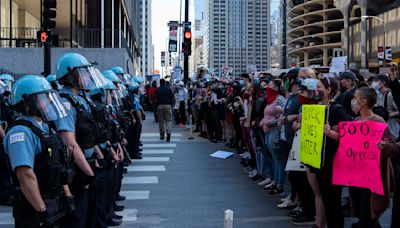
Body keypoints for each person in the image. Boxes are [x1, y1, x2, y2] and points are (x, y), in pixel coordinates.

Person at [4, 75, 73, 227]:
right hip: (34, 207)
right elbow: (25, 175)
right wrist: (42, 211)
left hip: (54, 201)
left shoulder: (45, 128)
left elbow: (58, 164)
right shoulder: (21, 132)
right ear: (28, 102)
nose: (49, 101)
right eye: (43, 97)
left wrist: (67, 196)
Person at [55, 53, 103, 228]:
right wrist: (89, 173)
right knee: (76, 219)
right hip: (76, 169)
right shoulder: (65, 102)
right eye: (82, 73)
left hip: (85, 163)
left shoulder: (78, 99)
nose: (87, 77)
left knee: (86, 215)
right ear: (72, 76)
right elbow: (70, 142)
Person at [260, 79, 287, 196]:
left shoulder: (280, 99)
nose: (268, 88)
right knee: (274, 159)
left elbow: (284, 116)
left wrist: (270, 123)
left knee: (278, 159)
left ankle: (279, 184)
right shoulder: (270, 100)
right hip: (268, 131)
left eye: (270, 85)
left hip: (275, 132)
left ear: (276, 88)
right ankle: (275, 181)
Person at [0, 73, 15, 206]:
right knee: (3, 168)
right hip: (3, 139)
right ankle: (5, 195)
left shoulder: (7, 100)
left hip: (6, 136)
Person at [371, 74, 399, 140]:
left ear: (383, 83)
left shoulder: (390, 95)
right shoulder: (379, 95)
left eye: (376, 80)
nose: (373, 83)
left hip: (392, 129)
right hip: (383, 129)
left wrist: (388, 115)